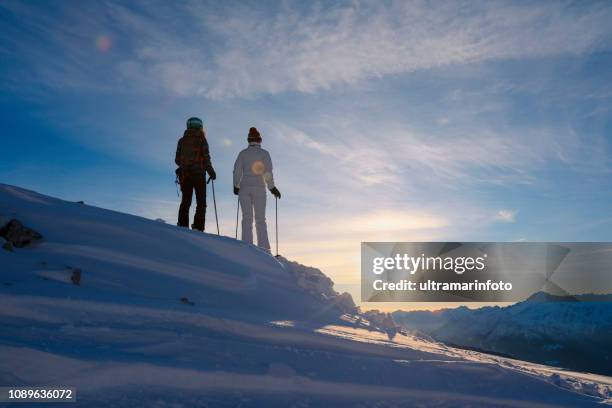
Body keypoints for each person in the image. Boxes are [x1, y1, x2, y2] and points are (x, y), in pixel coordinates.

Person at [233, 127, 281, 250]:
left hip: (244, 188)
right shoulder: (264, 153)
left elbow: (237, 170)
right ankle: (264, 248)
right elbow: (268, 172)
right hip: (259, 188)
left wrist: (236, 185)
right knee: (260, 218)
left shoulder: (242, 153)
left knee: (247, 217)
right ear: (259, 140)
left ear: (248, 140)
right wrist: (272, 188)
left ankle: (246, 246)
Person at [175, 117, 216, 231]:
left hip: (185, 174)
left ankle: (182, 225)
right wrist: (211, 171)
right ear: (200, 126)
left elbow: (177, 160)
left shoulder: (181, 141)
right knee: (201, 202)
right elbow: (206, 158)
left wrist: (185, 165)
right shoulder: (202, 140)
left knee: (186, 201)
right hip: (199, 175)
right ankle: (198, 227)